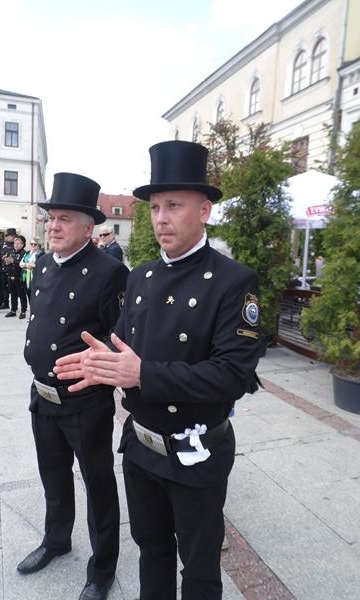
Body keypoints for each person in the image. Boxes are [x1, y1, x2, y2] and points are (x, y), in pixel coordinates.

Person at [55, 141, 262, 600]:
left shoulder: (233, 281)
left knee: (200, 569)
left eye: (174, 206)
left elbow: (233, 375)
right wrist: (99, 360)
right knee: (152, 552)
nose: (161, 218)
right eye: (154, 207)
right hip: (142, 448)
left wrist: (142, 374)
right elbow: (123, 343)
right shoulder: (142, 276)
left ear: (204, 210)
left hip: (196, 452)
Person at [18, 172, 129, 600]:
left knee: (97, 483)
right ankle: (56, 539)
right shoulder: (45, 264)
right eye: (51, 219)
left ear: (87, 228)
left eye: (64, 219)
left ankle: (102, 570)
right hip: (42, 395)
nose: (54, 226)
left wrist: (98, 357)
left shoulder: (110, 272)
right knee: (52, 473)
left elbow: (123, 335)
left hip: (84, 401)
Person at [3, 235, 27, 319]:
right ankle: (13, 310)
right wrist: (6, 263)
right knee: (13, 295)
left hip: (19, 277)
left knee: (21, 295)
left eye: (18, 243)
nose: (16, 245)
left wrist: (13, 261)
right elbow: (5, 263)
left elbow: (22, 265)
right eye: (15, 243)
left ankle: (23, 311)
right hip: (10, 276)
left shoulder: (24, 253)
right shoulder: (11, 252)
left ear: (22, 244)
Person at [20, 237, 44, 301]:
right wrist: (27, 265)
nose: (33, 245)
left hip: (35, 278)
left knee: (35, 297)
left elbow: (39, 265)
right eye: (31, 244)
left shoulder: (41, 254)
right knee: (28, 295)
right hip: (26, 277)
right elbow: (21, 264)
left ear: (39, 245)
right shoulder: (27, 253)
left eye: (35, 244)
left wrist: (30, 265)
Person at [0, 227, 16, 310]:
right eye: (8, 236)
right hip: (3, 268)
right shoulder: (3, 244)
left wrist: (11, 259)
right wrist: (2, 257)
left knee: (13, 288)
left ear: (14, 236)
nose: (9, 237)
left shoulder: (16, 244)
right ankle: (5, 303)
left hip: (12, 269)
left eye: (11, 236)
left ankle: (14, 305)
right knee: (4, 287)